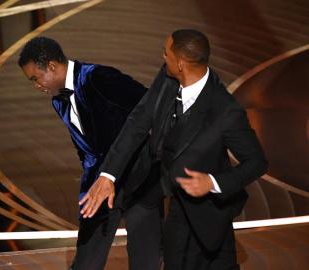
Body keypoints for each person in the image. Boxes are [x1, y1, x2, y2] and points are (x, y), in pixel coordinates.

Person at [80, 29, 268, 269]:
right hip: (166, 187)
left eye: (166, 53)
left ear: (180, 64)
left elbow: (257, 162)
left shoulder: (225, 112)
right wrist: (109, 174)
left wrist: (213, 182)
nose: (162, 56)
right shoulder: (169, 76)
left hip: (204, 211)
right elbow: (139, 121)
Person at [18, 36, 162, 270]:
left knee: (145, 260)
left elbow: (149, 106)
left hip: (139, 177)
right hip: (98, 185)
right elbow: (83, 147)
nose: (36, 85)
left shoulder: (98, 78)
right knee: (86, 261)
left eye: (35, 78)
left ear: (52, 67)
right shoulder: (58, 102)